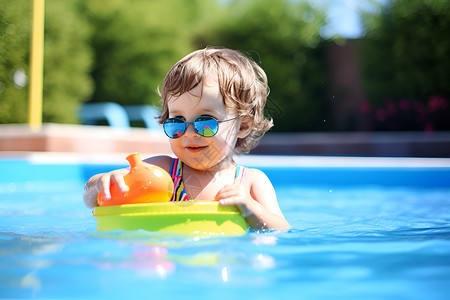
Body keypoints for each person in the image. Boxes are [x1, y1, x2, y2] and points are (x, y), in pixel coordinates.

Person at [83, 47, 289, 230]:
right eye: (177, 122)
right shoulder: (162, 171)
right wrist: (102, 183)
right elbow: (89, 198)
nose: (189, 132)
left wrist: (250, 207)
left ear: (242, 125)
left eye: (206, 122)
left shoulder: (251, 182)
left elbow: (280, 228)